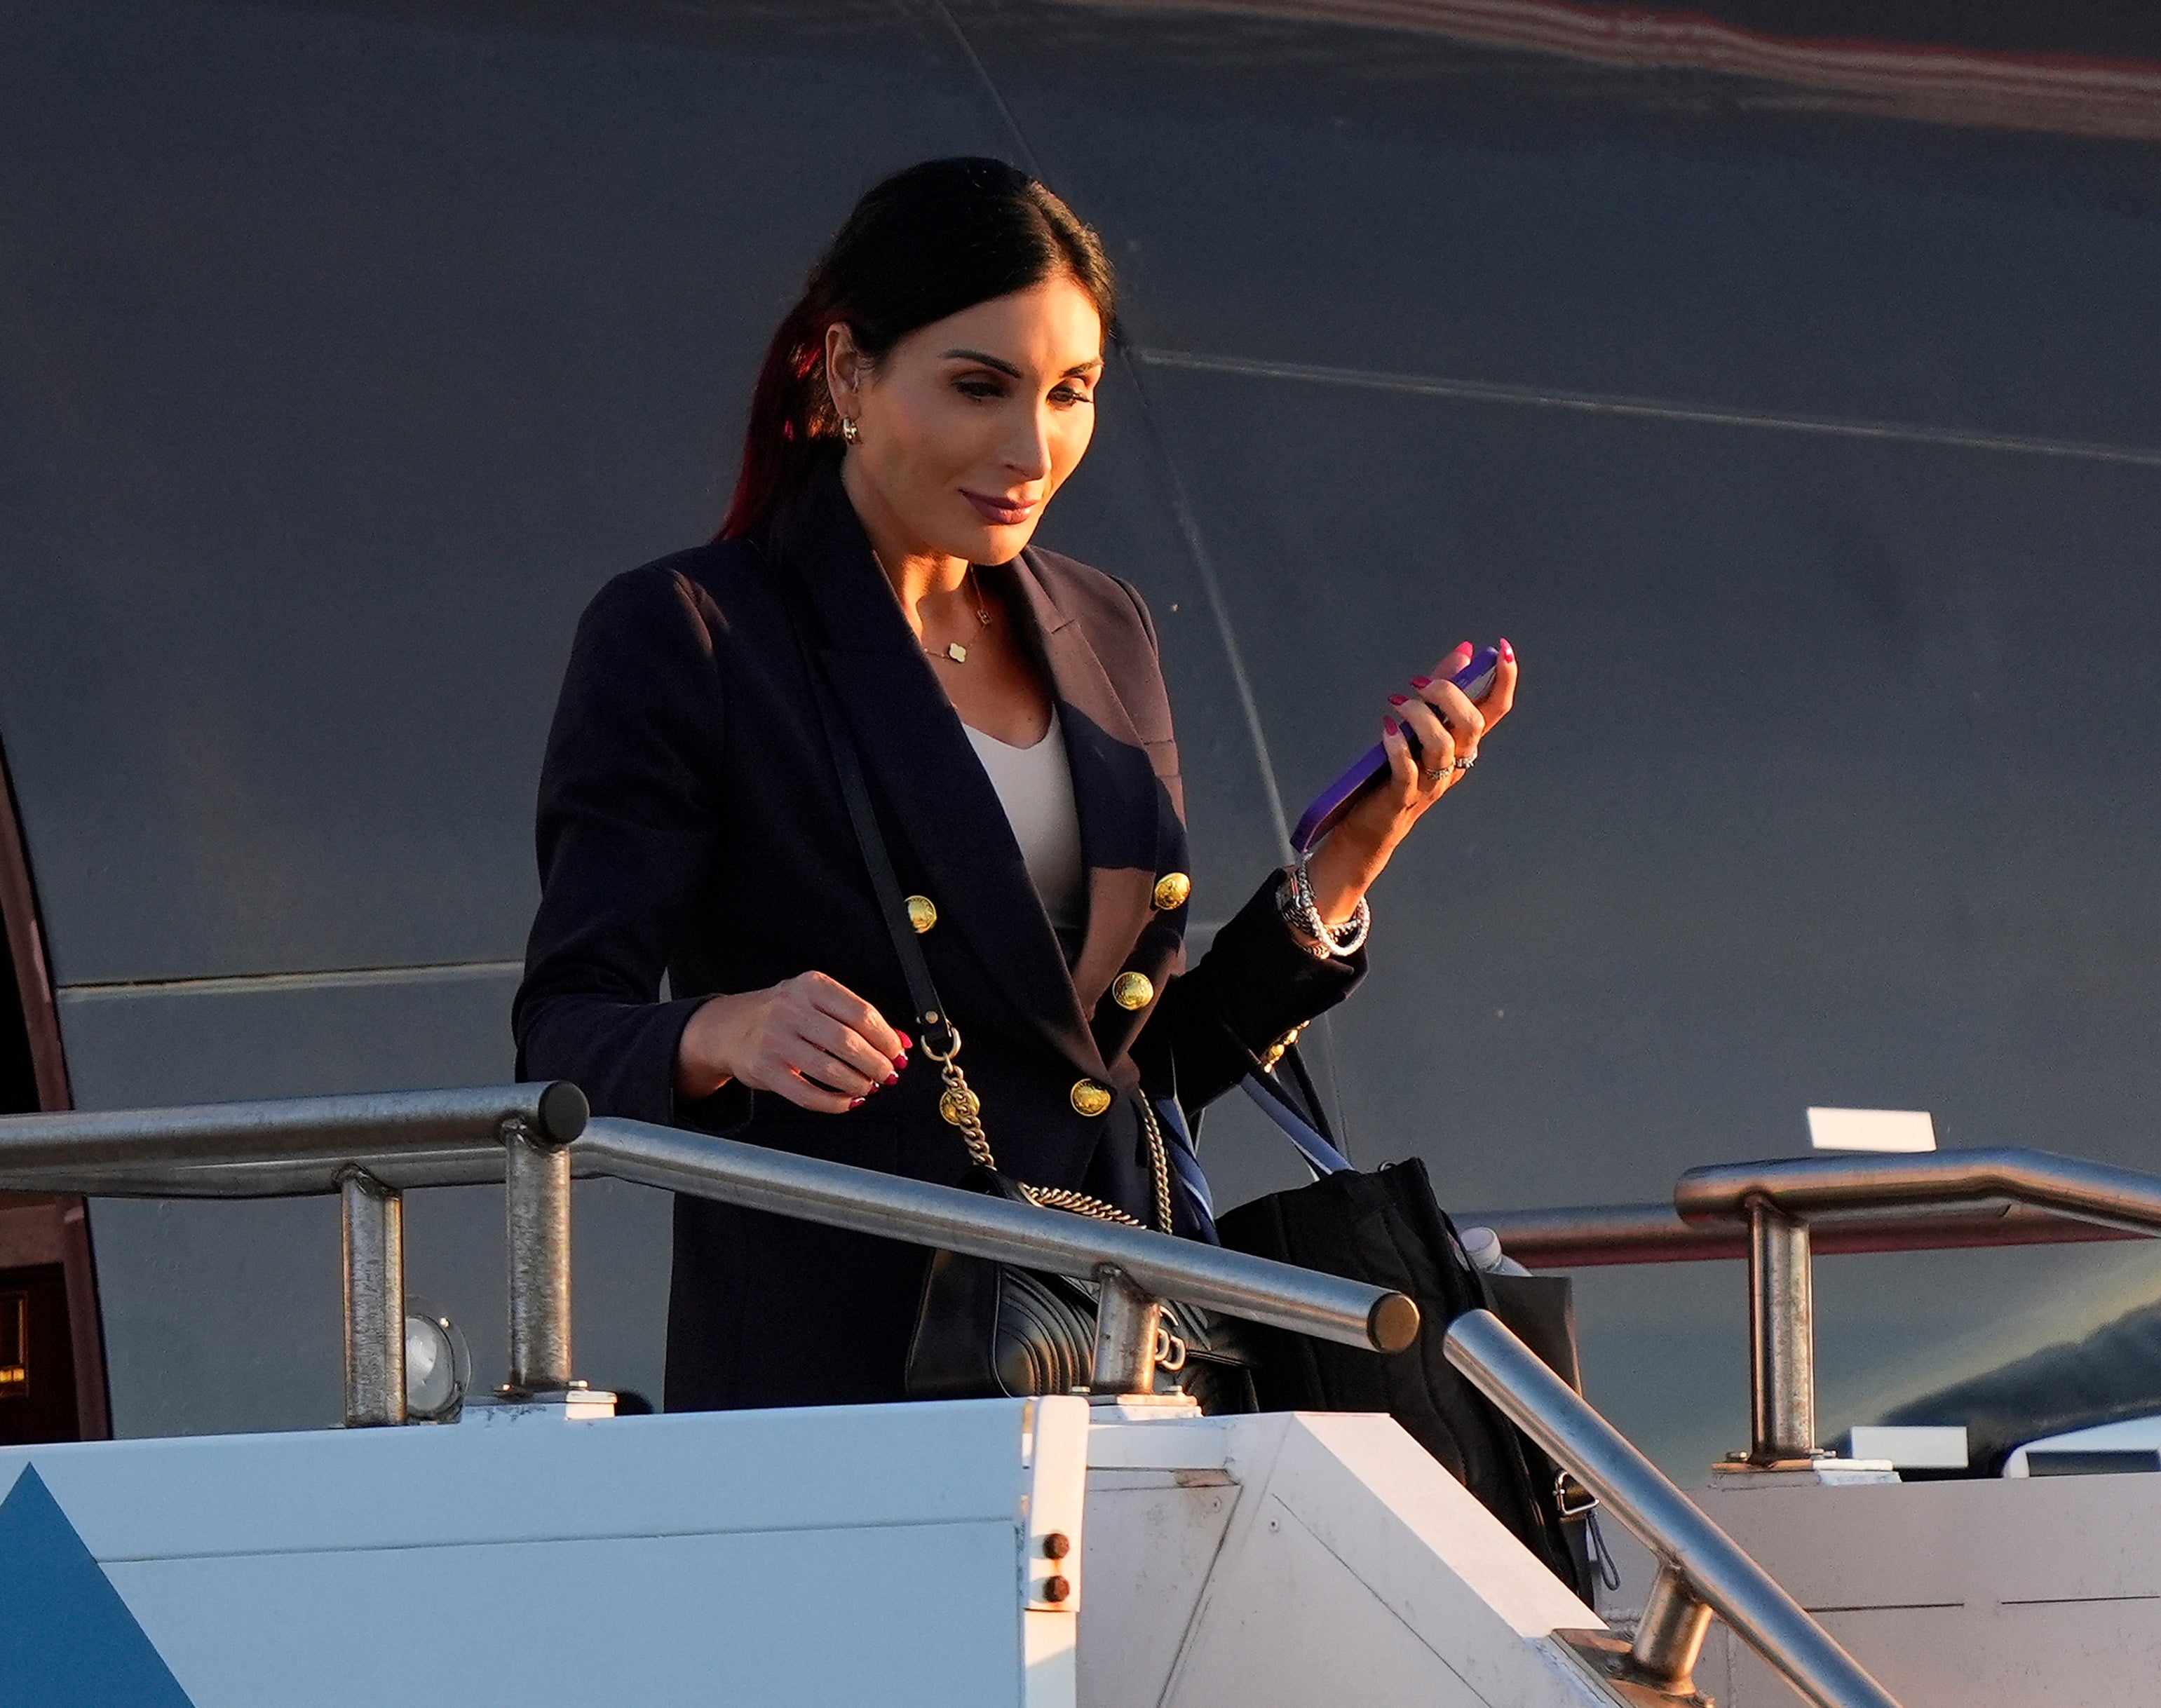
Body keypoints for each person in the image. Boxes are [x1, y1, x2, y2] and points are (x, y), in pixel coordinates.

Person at [512, 157, 1519, 1411]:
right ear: (845, 373)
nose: (1031, 448)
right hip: (849, 1373)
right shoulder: (695, 632)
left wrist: (1348, 864)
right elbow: (561, 1030)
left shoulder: (1104, 623)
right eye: (979, 387)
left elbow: (1111, 1074)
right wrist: (723, 1032)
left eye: (1071, 392)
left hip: (1115, 1358)